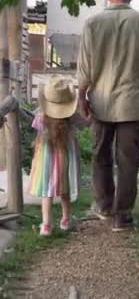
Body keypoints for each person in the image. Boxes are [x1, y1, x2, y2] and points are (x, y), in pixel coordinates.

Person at [77, 0, 139, 232]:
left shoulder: (92, 23)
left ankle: (104, 206)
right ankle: (122, 217)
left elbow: (85, 68)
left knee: (101, 157)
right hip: (131, 104)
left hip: (101, 101)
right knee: (128, 161)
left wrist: (82, 97)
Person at [29, 76, 90, 237]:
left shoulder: (41, 115)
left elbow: (35, 127)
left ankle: (46, 225)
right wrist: (92, 115)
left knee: (46, 192)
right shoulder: (72, 116)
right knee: (65, 189)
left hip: (46, 158)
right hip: (65, 156)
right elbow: (85, 124)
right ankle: (65, 220)